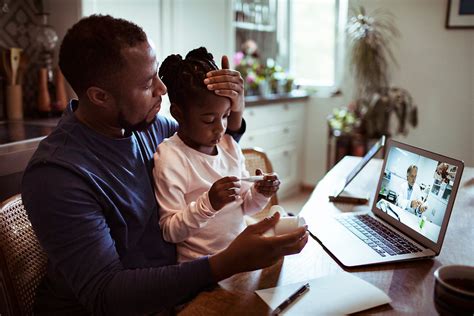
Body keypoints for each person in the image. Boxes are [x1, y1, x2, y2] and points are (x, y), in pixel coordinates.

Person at [21, 15, 308, 315]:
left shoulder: (149, 126)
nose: (162, 89)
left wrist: (234, 106)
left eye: (156, 74)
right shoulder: (58, 175)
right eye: (147, 83)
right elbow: (106, 294)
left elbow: (207, 143)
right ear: (100, 96)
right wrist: (227, 262)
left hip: (178, 294)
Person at [154, 47, 280, 262]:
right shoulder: (170, 158)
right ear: (178, 114)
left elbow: (246, 208)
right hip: (200, 268)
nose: (220, 128)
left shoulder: (229, 145)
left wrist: (260, 193)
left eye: (225, 116)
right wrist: (209, 203)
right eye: (208, 120)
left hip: (240, 256)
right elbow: (170, 231)